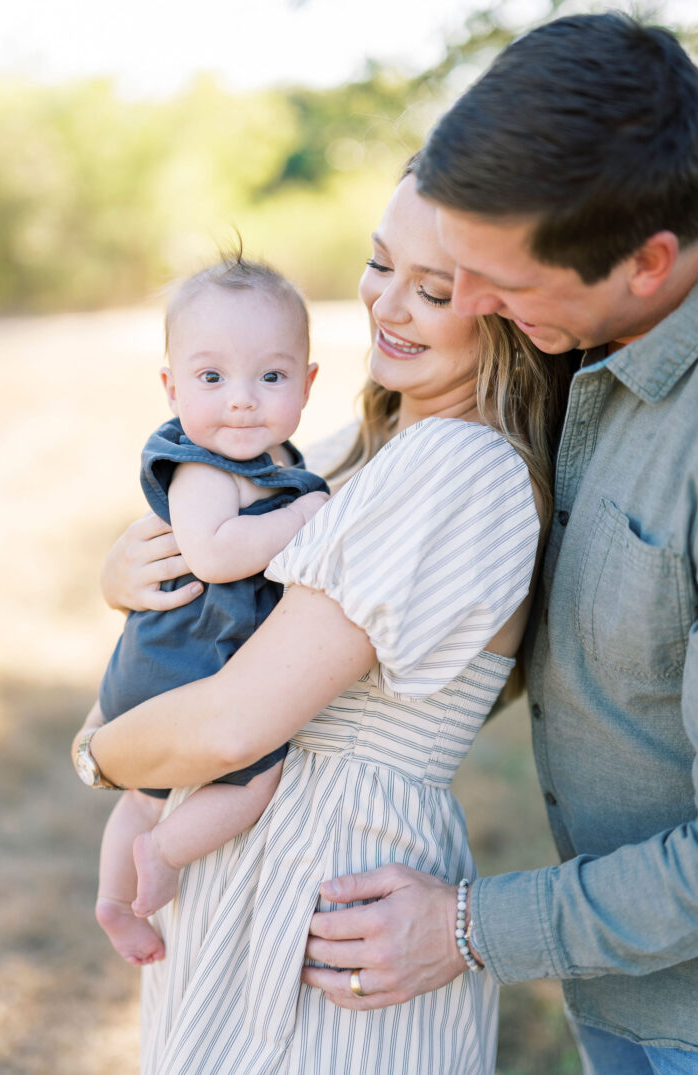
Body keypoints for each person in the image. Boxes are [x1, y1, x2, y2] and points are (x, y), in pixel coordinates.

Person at [72, 160, 570, 1074]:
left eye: (432, 288)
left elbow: (231, 723)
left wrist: (99, 753)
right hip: (252, 865)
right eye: (379, 265)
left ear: (511, 308)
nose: (388, 305)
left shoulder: (458, 464)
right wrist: (124, 571)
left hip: (329, 884)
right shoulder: (352, 448)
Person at [303, 14, 698, 1074]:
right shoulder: (571, 343)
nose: (465, 307)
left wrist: (469, 926)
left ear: (648, 262)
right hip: (619, 993)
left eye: (499, 283)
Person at [77, 254, 329, 969]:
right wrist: (305, 515)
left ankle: (113, 900)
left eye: (271, 376)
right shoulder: (200, 466)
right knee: (253, 778)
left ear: (309, 384)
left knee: (142, 796)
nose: (241, 400)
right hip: (182, 664)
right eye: (211, 378)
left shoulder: (268, 457)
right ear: (171, 386)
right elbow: (217, 555)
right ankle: (162, 853)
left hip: (171, 665)